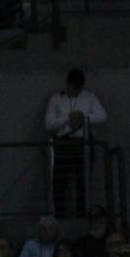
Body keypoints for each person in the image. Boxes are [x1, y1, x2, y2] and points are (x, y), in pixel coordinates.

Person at [43, 68, 108, 217]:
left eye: (77, 88)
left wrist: (83, 116)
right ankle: (59, 215)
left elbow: (102, 116)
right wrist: (68, 117)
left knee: (83, 180)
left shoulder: (89, 97)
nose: (74, 90)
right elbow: (48, 124)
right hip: (63, 142)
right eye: (72, 87)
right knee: (60, 180)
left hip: (84, 142)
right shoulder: (56, 99)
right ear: (67, 84)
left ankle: (82, 214)